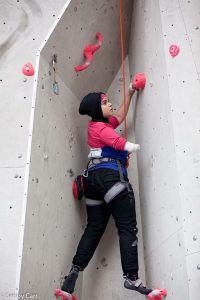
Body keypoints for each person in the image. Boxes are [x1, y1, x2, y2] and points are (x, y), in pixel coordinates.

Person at [60, 84, 152, 297]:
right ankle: (131, 277)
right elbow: (118, 142)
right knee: (127, 228)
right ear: (96, 108)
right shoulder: (101, 129)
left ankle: (74, 272)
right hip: (110, 178)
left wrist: (129, 91)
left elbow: (119, 115)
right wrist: (133, 147)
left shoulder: (100, 125)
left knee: (94, 228)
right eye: (105, 102)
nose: (110, 103)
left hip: (93, 182)